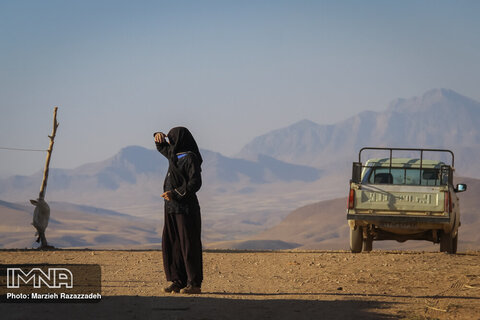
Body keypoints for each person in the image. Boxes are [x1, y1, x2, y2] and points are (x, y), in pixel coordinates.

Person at [154, 127, 203, 294]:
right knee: (173, 244)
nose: (170, 142)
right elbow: (161, 147)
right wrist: (157, 135)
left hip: (186, 208)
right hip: (170, 208)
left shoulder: (190, 157)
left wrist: (175, 194)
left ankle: (193, 283)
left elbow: (195, 183)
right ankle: (177, 281)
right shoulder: (173, 155)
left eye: (172, 138)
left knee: (188, 245)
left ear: (180, 139)